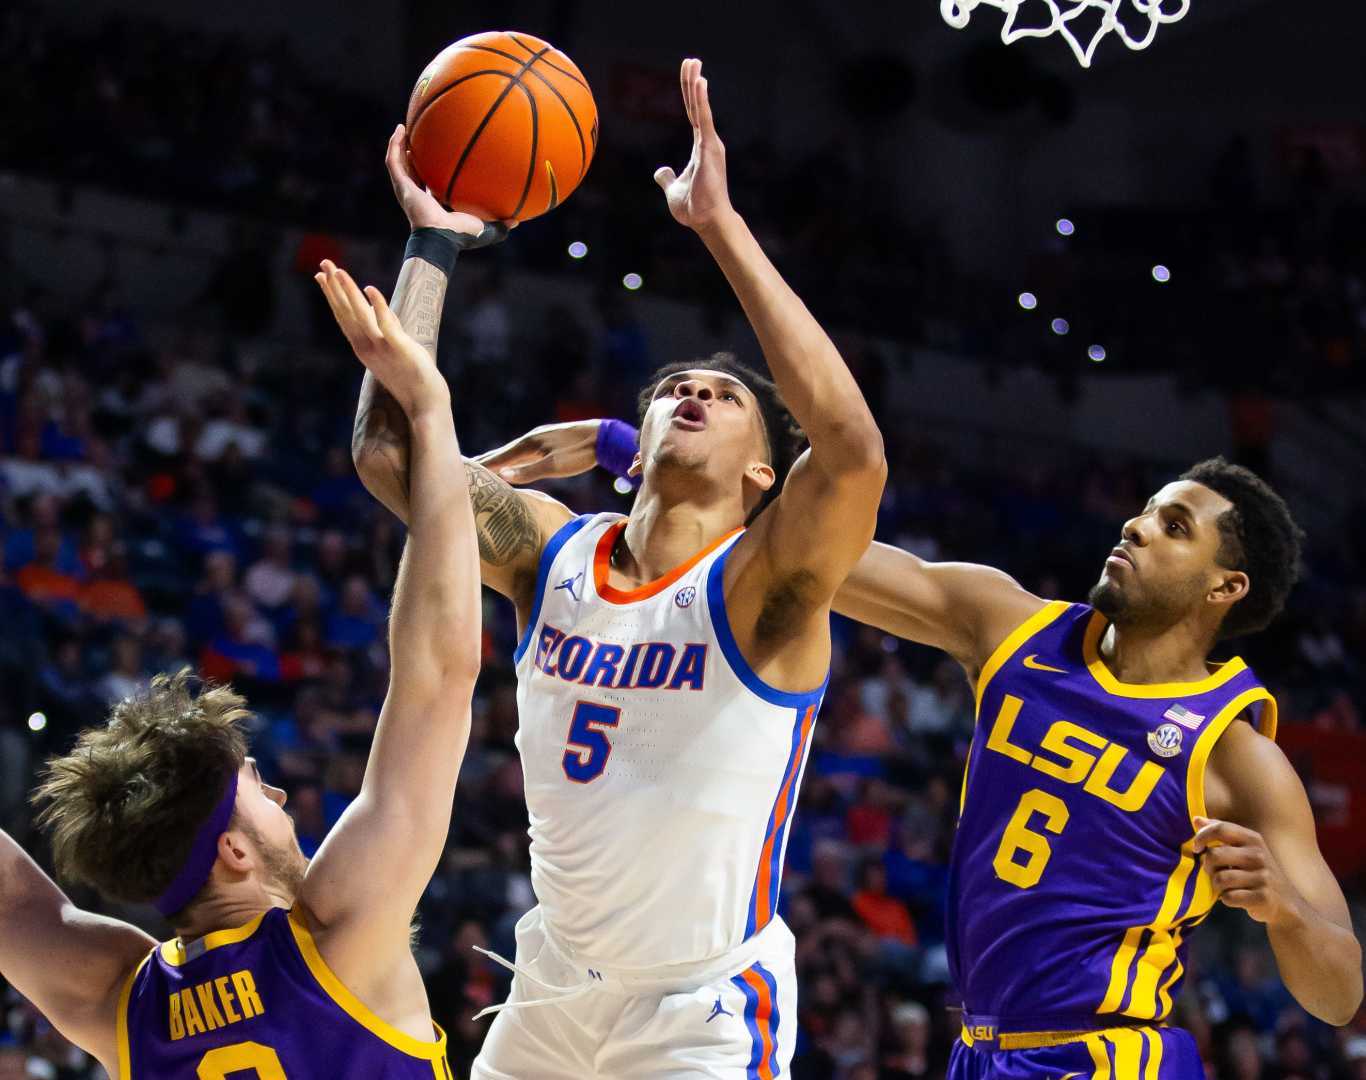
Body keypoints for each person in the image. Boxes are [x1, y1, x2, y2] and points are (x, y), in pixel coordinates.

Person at [473, 425, 1364, 1075]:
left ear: (1226, 586)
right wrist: (663, 454)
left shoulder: (1236, 753)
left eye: (1173, 526)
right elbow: (813, 554)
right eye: (1143, 511)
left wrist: (1282, 906)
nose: (1134, 527)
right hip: (977, 1052)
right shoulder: (1013, 630)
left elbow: (1340, 993)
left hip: (1112, 1055)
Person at [351, 60, 886, 1078]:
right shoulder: (551, 550)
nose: (691, 393)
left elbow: (855, 453)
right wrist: (434, 245)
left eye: (722, 398)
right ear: (634, 435)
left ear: (766, 471)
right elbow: (390, 457)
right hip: (551, 981)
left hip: (702, 1002)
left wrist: (718, 229)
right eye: (674, 387)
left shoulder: (763, 586)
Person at [0, 217, 490, 1077]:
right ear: (233, 851)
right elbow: (438, 676)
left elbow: (12, 906)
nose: (282, 788)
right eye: (257, 789)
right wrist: (430, 405)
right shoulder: (338, 939)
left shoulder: (121, 1003)